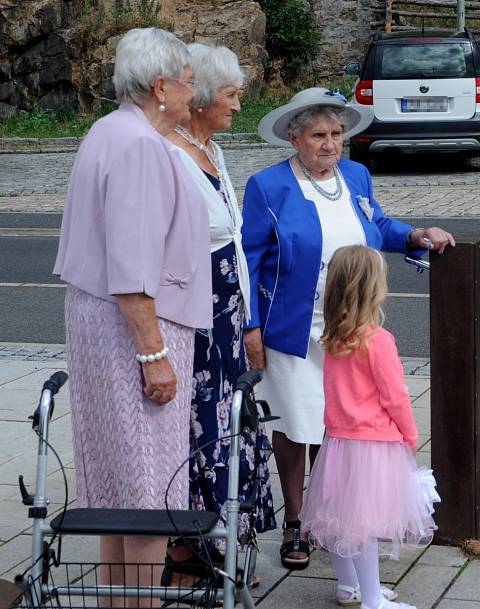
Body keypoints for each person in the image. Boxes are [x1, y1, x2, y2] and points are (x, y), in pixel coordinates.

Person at [241, 87, 454, 574]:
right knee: (295, 424)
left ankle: (330, 519)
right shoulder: (267, 186)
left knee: (338, 428)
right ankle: (295, 519)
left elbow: (375, 222)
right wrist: (251, 326)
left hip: (350, 330)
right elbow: (248, 260)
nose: (330, 144)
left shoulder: (355, 175)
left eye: (337, 134)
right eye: (318, 135)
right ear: (294, 138)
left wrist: (416, 235)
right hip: (293, 330)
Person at [52, 27, 211, 601]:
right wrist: (154, 357)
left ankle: (119, 602)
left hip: (101, 324)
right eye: (189, 83)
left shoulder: (107, 130)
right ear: (162, 85)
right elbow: (132, 266)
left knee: (117, 486)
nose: (193, 95)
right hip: (136, 331)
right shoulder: (140, 144)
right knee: (145, 490)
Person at [164, 42, 275, 581]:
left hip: (228, 318)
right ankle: (193, 550)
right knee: (201, 427)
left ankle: (221, 544)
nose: (237, 105)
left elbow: (232, 240)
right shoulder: (173, 154)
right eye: (230, 95)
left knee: (229, 422)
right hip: (198, 317)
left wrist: (249, 320)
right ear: (203, 97)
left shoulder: (212, 151)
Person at [300, 244, 437, 609]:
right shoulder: (378, 342)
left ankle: (349, 587)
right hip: (374, 445)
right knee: (363, 525)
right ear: (374, 289)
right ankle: (373, 600)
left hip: (339, 442)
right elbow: (396, 397)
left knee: (340, 519)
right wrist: (410, 435)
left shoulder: (333, 339)